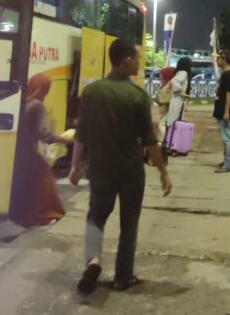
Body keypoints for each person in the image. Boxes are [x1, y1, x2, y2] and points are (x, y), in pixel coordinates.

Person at [69, 39, 172, 295]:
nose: (139, 62)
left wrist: (74, 168)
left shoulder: (92, 92)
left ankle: (93, 261)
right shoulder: (137, 96)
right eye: (136, 58)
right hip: (130, 171)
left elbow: (80, 134)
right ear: (125, 60)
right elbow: (150, 142)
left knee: (96, 216)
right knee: (129, 223)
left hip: (100, 169)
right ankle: (122, 277)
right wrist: (163, 172)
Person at [12, 73, 70, 227]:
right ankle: (44, 215)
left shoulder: (22, 102)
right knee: (44, 181)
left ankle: (24, 215)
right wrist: (67, 140)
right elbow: (46, 134)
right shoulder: (37, 105)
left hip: (17, 150)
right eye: (47, 88)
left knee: (27, 183)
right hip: (29, 151)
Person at [213, 51, 230, 173]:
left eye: (218, 59)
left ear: (224, 59)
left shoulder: (228, 74)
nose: (217, 61)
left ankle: (229, 164)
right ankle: (226, 161)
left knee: (228, 138)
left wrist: (226, 111)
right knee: (226, 137)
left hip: (224, 110)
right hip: (221, 109)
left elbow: (229, 94)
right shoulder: (226, 74)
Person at [163, 57, 192, 133]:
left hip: (176, 99)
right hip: (177, 100)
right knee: (174, 121)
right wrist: (181, 90)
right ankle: (171, 140)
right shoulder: (184, 73)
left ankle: (169, 140)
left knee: (173, 120)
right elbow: (174, 81)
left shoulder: (179, 72)